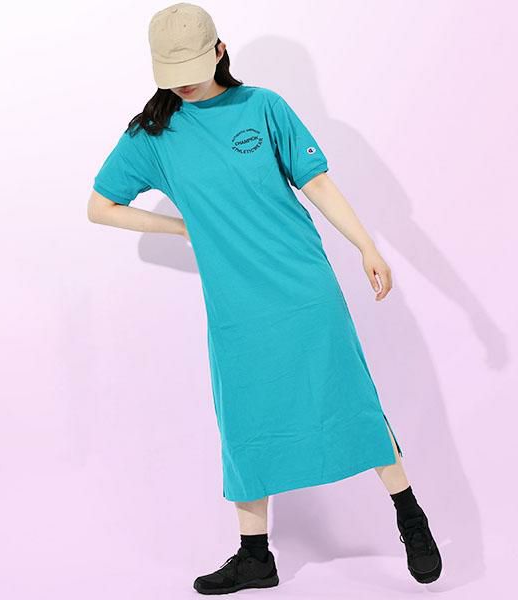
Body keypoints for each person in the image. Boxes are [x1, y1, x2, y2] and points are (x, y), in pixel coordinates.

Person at [87, 2, 442, 594]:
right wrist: (184, 227)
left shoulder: (264, 107)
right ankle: (256, 556)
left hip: (305, 287)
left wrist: (366, 246)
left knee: (350, 398)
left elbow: (317, 182)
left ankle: (411, 518)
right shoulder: (152, 135)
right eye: (173, 72)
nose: (184, 82)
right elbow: (100, 206)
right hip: (236, 306)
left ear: (220, 50)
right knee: (245, 420)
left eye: (194, 67)